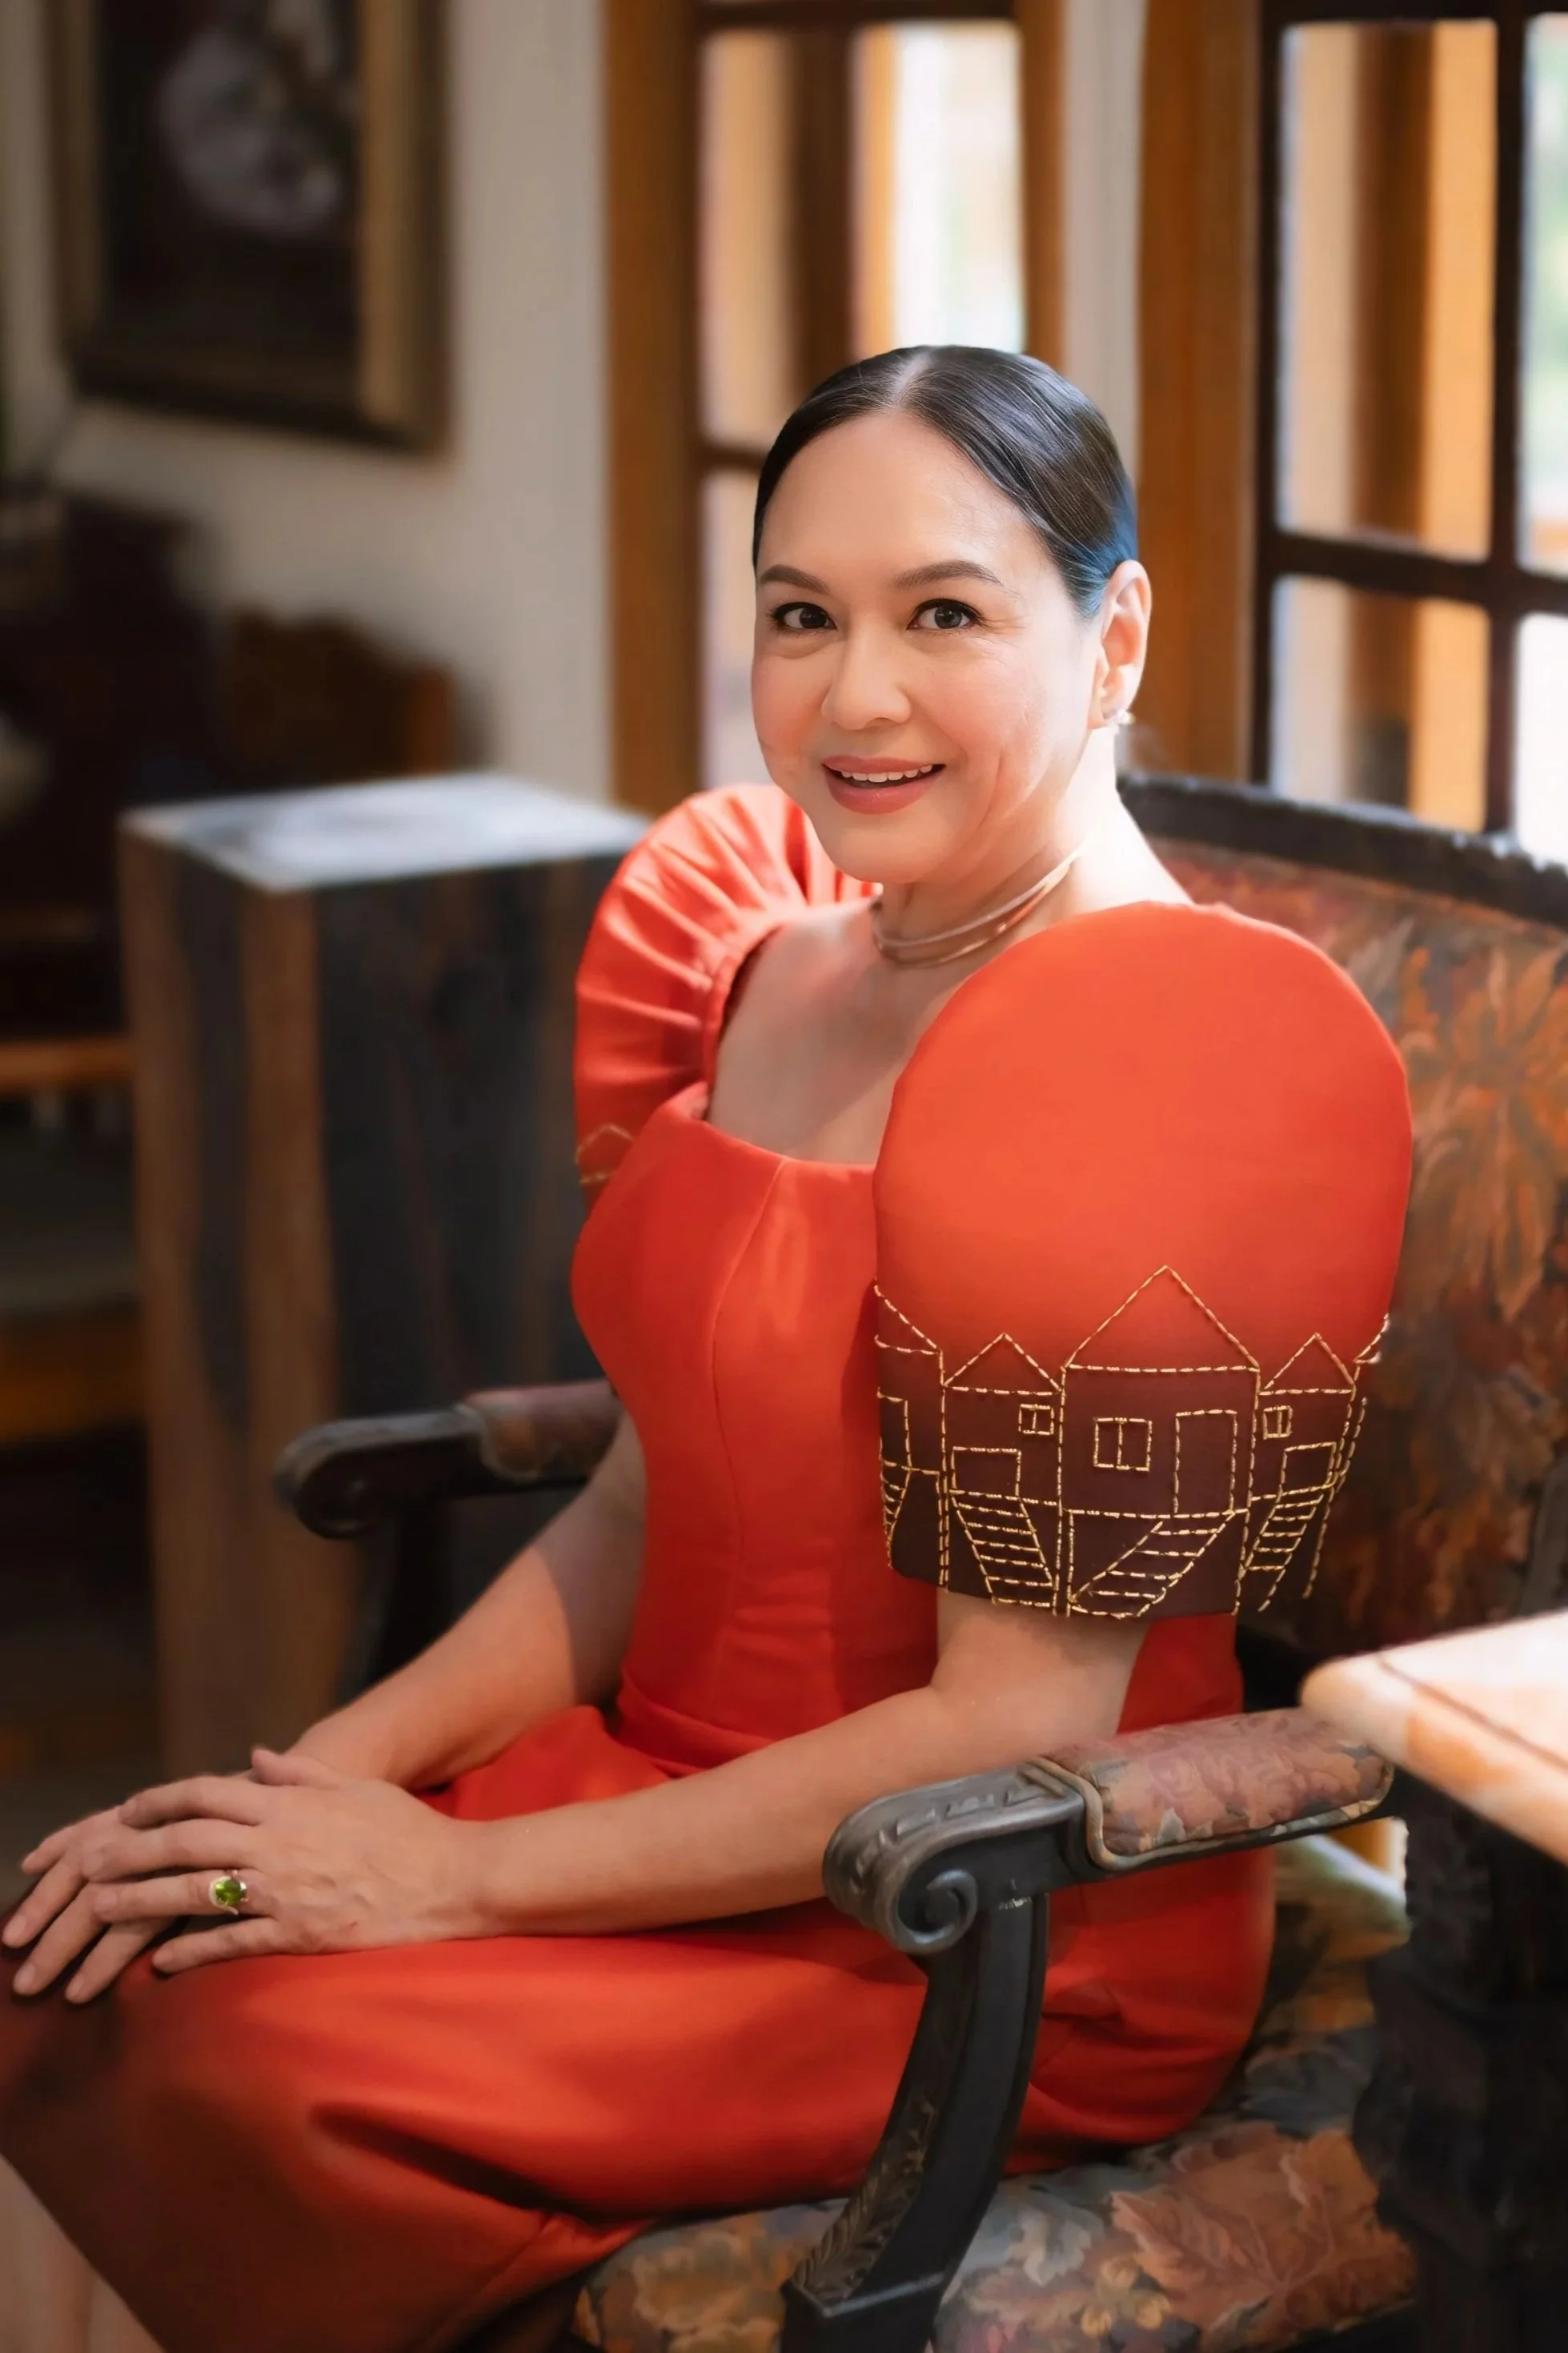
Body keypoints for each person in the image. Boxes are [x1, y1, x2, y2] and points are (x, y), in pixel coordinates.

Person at [0, 347, 1412, 2353]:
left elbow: (1004, 1725)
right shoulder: (771, 962)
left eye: (944, 615)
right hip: (659, 1797)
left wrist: (452, 1883)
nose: (855, 697)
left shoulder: (1159, 1050)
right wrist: (320, 1784)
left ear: (1113, 637)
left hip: (974, 1912)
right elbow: (640, 1499)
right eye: (800, 616)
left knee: (237, 2057)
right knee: (93, 1953)